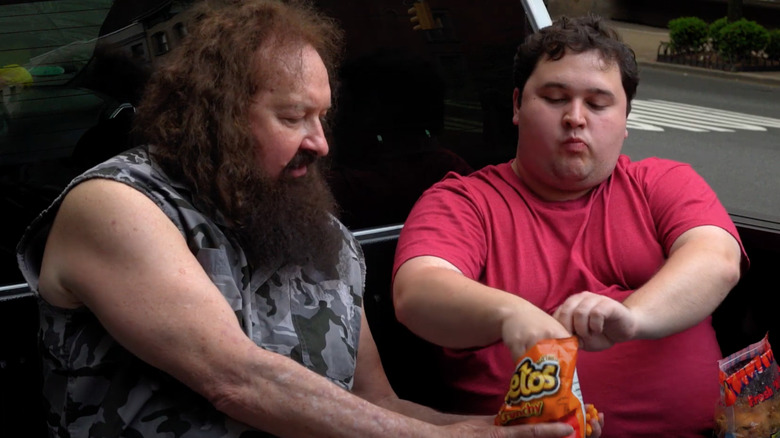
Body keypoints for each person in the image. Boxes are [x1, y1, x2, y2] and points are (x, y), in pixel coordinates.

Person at [14, 1, 598, 437]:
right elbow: (237, 380)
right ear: (214, 116)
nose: (320, 142)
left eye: (323, 117)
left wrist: (495, 431)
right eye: (294, 117)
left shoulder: (327, 238)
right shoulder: (118, 204)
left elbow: (379, 408)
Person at [392, 14, 746, 438]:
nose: (576, 117)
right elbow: (417, 291)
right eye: (556, 98)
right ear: (517, 106)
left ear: (626, 119)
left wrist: (629, 318)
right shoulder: (464, 202)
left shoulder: (662, 183)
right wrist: (510, 313)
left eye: (598, 104)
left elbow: (716, 259)